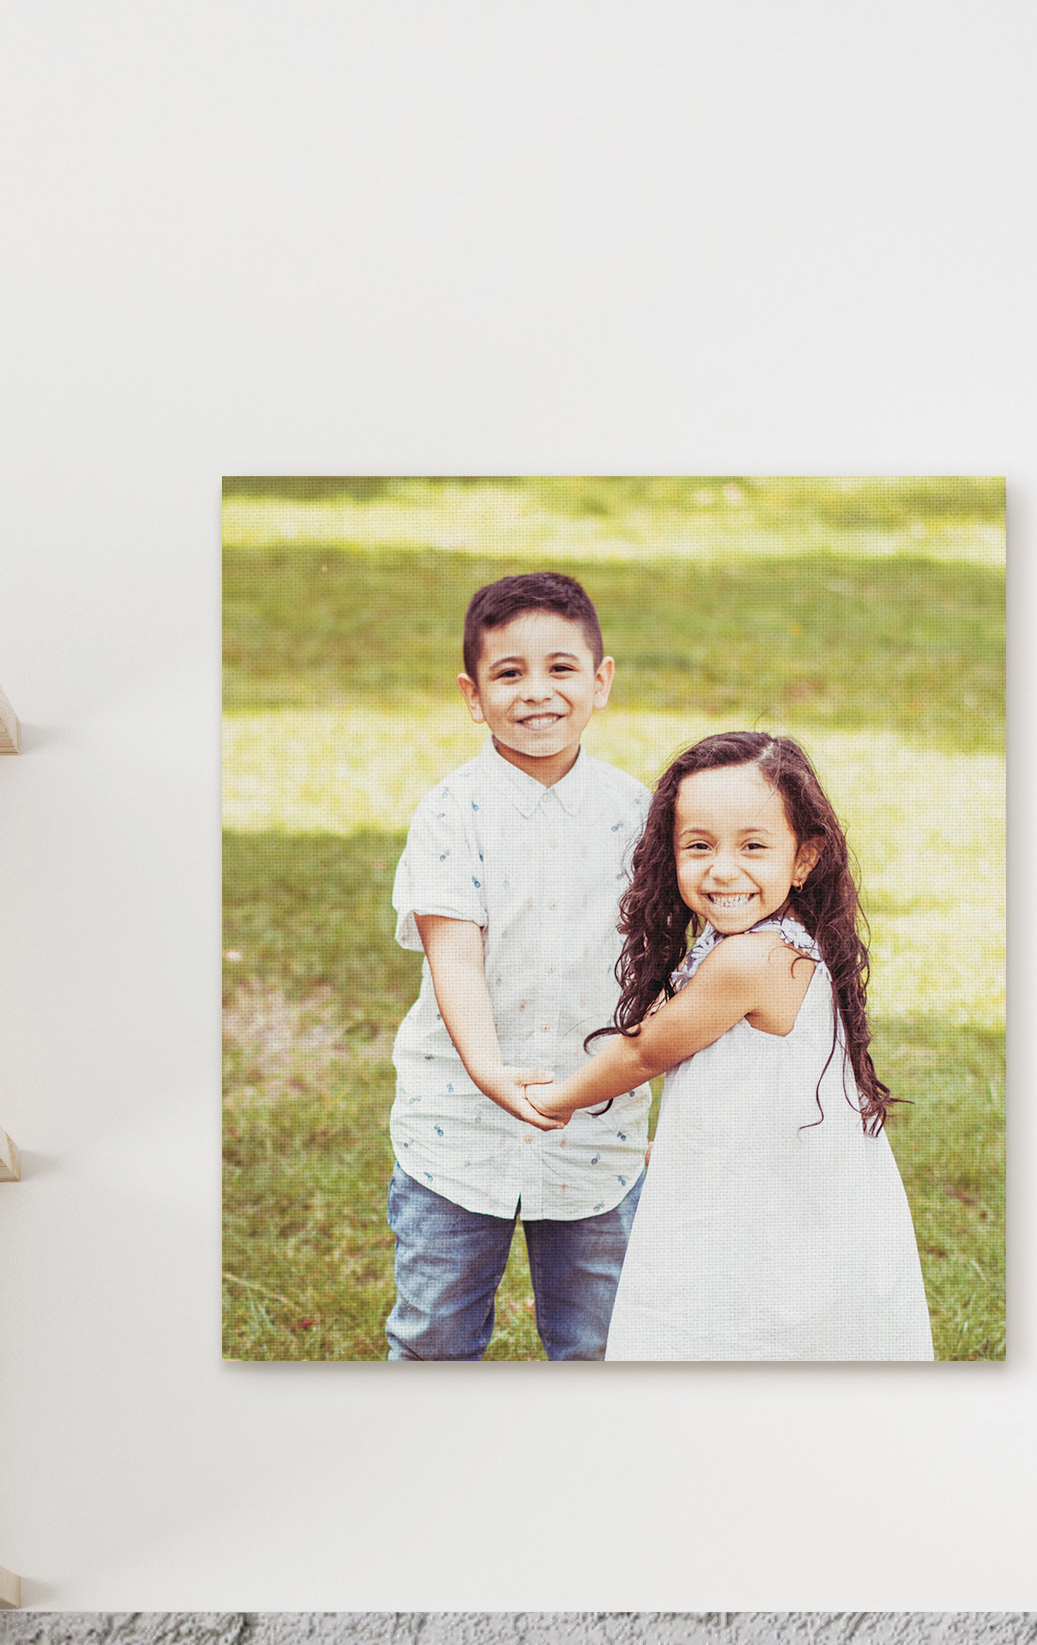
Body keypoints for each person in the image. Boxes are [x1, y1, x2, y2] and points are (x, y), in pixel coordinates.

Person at [523, 731, 935, 1362]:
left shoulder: (752, 958)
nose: (723, 868)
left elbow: (644, 1053)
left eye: (752, 846)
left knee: (735, 1323)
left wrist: (558, 1099)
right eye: (699, 845)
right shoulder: (761, 938)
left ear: (803, 859)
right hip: (775, 1180)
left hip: (769, 1205)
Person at [376, 572, 654, 1360]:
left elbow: (663, 963)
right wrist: (492, 1073)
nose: (537, 692)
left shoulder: (639, 815)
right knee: (435, 1334)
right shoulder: (450, 812)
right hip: (456, 1128)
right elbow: (454, 956)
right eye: (509, 673)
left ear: (601, 681)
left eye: (561, 668)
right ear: (473, 695)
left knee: (601, 1344)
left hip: (597, 1130)